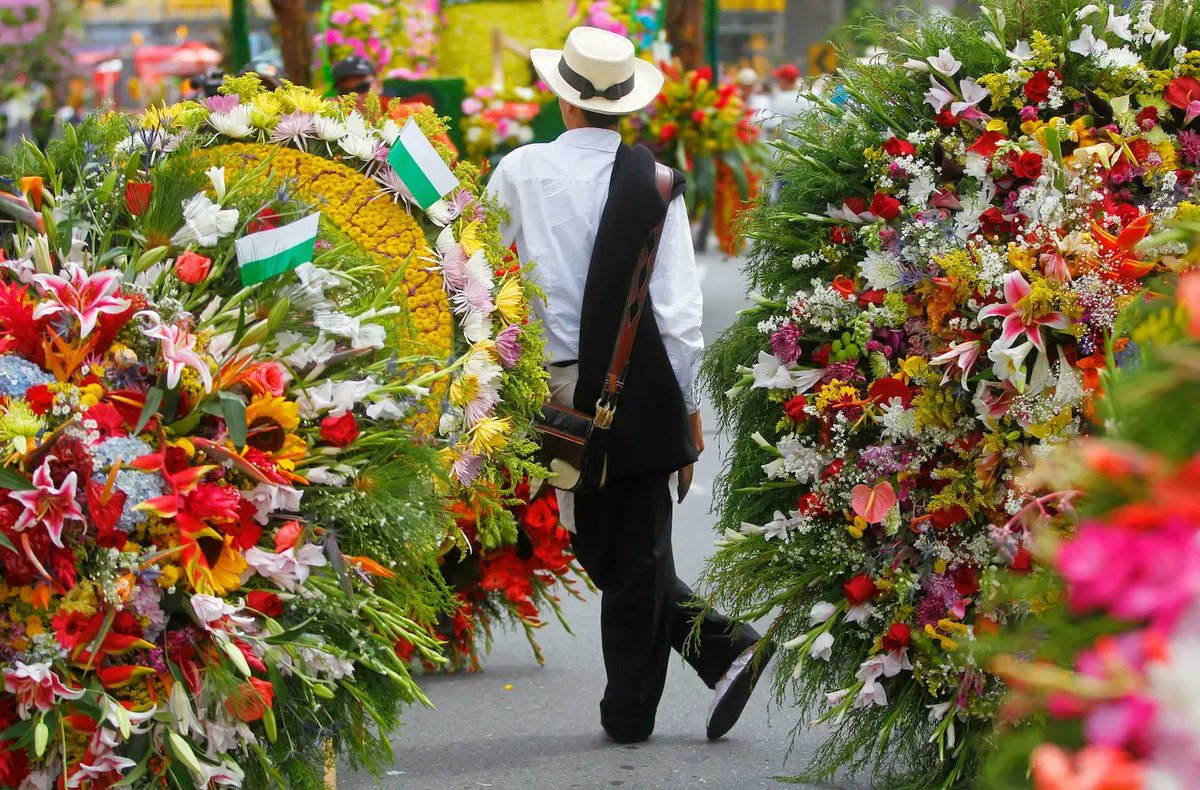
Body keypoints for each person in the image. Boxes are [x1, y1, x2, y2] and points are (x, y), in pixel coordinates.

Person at [486, 26, 771, 745]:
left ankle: (641, 706)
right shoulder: (657, 183)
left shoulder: (518, 172)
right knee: (627, 547)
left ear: (564, 99)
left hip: (550, 388)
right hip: (636, 386)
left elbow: (480, 274)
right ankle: (722, 649)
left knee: (603, 543)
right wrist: (691, 407)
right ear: (626, 107)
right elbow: (677, 315)